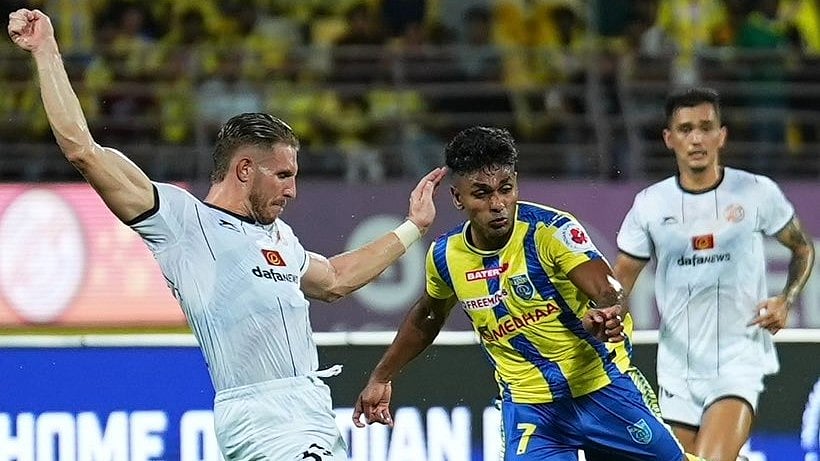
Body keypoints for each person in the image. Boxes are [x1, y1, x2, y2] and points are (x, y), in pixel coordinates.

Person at [7, 8, 447, 460]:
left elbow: (335, 279)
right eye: (283, 175)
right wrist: (46, 50)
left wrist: (413, 227)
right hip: (262, 419)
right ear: (243, 169)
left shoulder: (280, 238)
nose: (293, 190)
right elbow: (84, 150)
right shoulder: (180, 222)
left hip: (312, 413)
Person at [352, 126, 705, 461]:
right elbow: (429, 315)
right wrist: (381, 376)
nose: (498, 203)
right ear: (457, 198)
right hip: (531, 410)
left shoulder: (549, 231)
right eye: (482, 193)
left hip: (605, 391)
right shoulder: (446, 255)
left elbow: (606, 286)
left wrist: (608, 311)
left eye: (506, 188)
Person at [613, 87, 816, 461]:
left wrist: (786, 299)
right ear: (668, 138)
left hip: (738, 361)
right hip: (677, 368)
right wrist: (608, 316)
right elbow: (620, 281)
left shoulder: (756, 192)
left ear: (721, 135)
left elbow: (802, 248)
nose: (696, 138)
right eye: (686, 128)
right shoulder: (650, 205)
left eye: (706, 127)